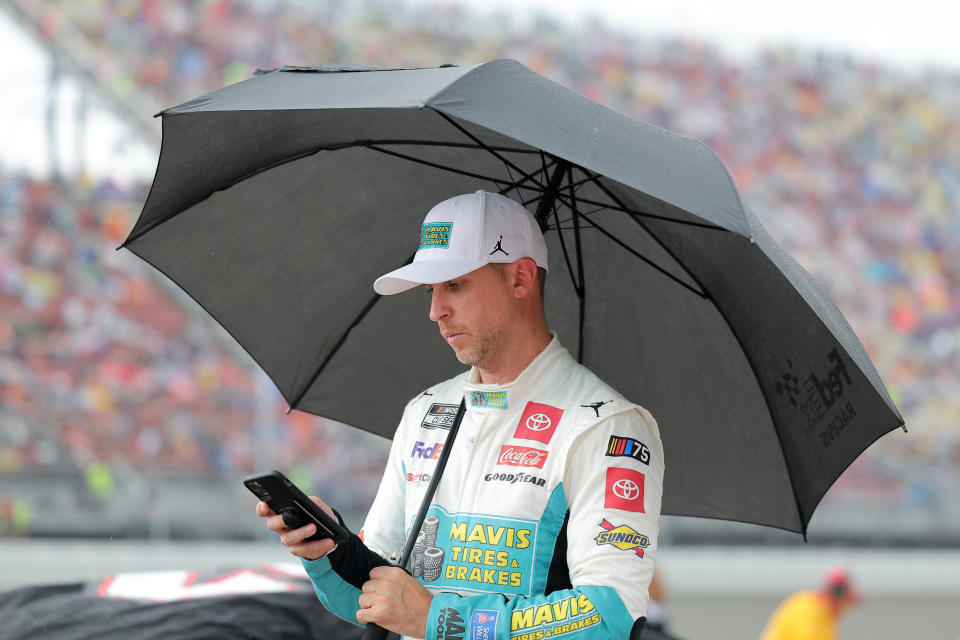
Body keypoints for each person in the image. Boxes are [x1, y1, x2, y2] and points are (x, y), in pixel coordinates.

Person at [257, 190, 664, 640]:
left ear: (521, 279)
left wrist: (440, 619)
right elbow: (375, 596)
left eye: (454, 285)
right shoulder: (427, 411)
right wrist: (331, 550)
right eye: (431, 290)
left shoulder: (607, 427)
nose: (435, 312)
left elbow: (608, 618)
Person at [759, 567, 861, 640]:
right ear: (836, 596)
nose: (846, 610)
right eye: (846, 603)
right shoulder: (807, 609)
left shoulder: (826, 617)